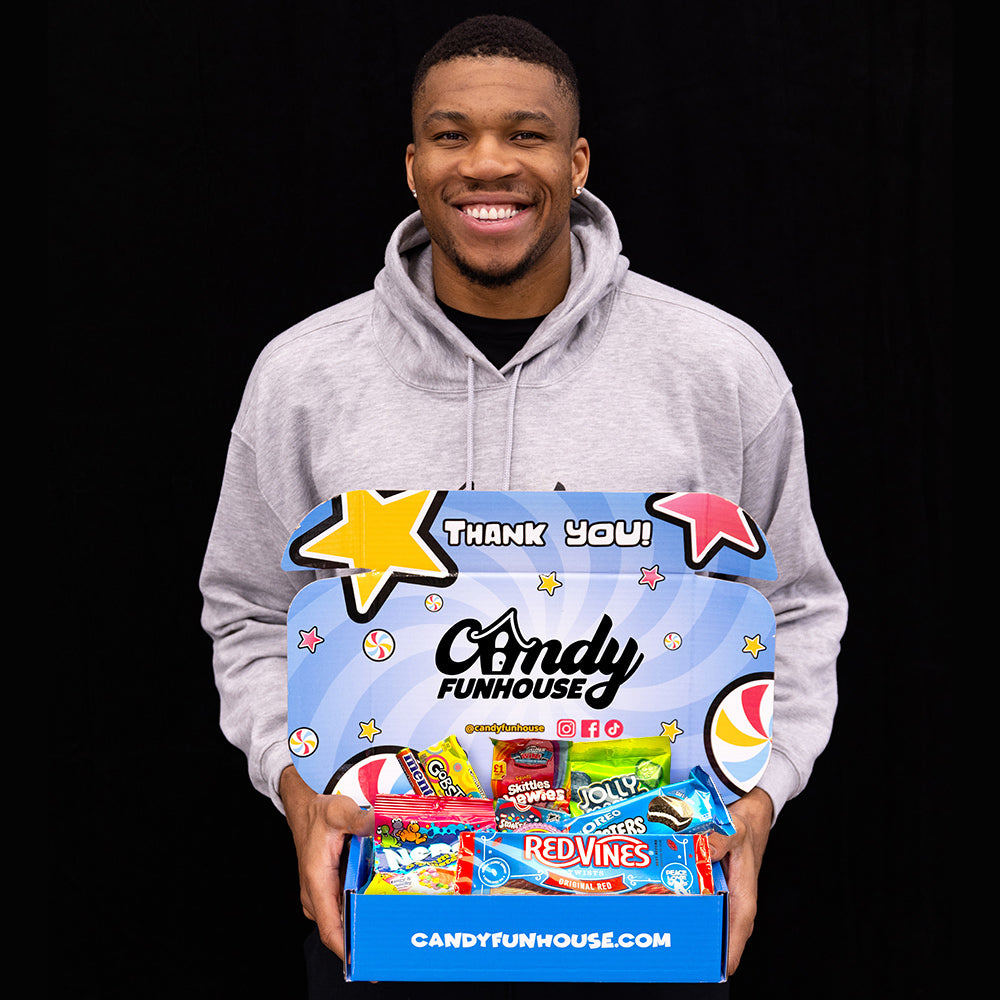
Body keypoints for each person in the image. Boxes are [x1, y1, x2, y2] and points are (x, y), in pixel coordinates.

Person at [200, 14, 847, 995]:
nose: (487, 164)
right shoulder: (304, 377)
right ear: (413, 165)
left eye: (526, 134)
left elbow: (793, 606)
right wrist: (297, 786)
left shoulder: (717, 368)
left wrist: (759, 794)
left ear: (577, 162)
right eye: (451, 135)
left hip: (647, 911)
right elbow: (252, 608)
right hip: (392, 909)